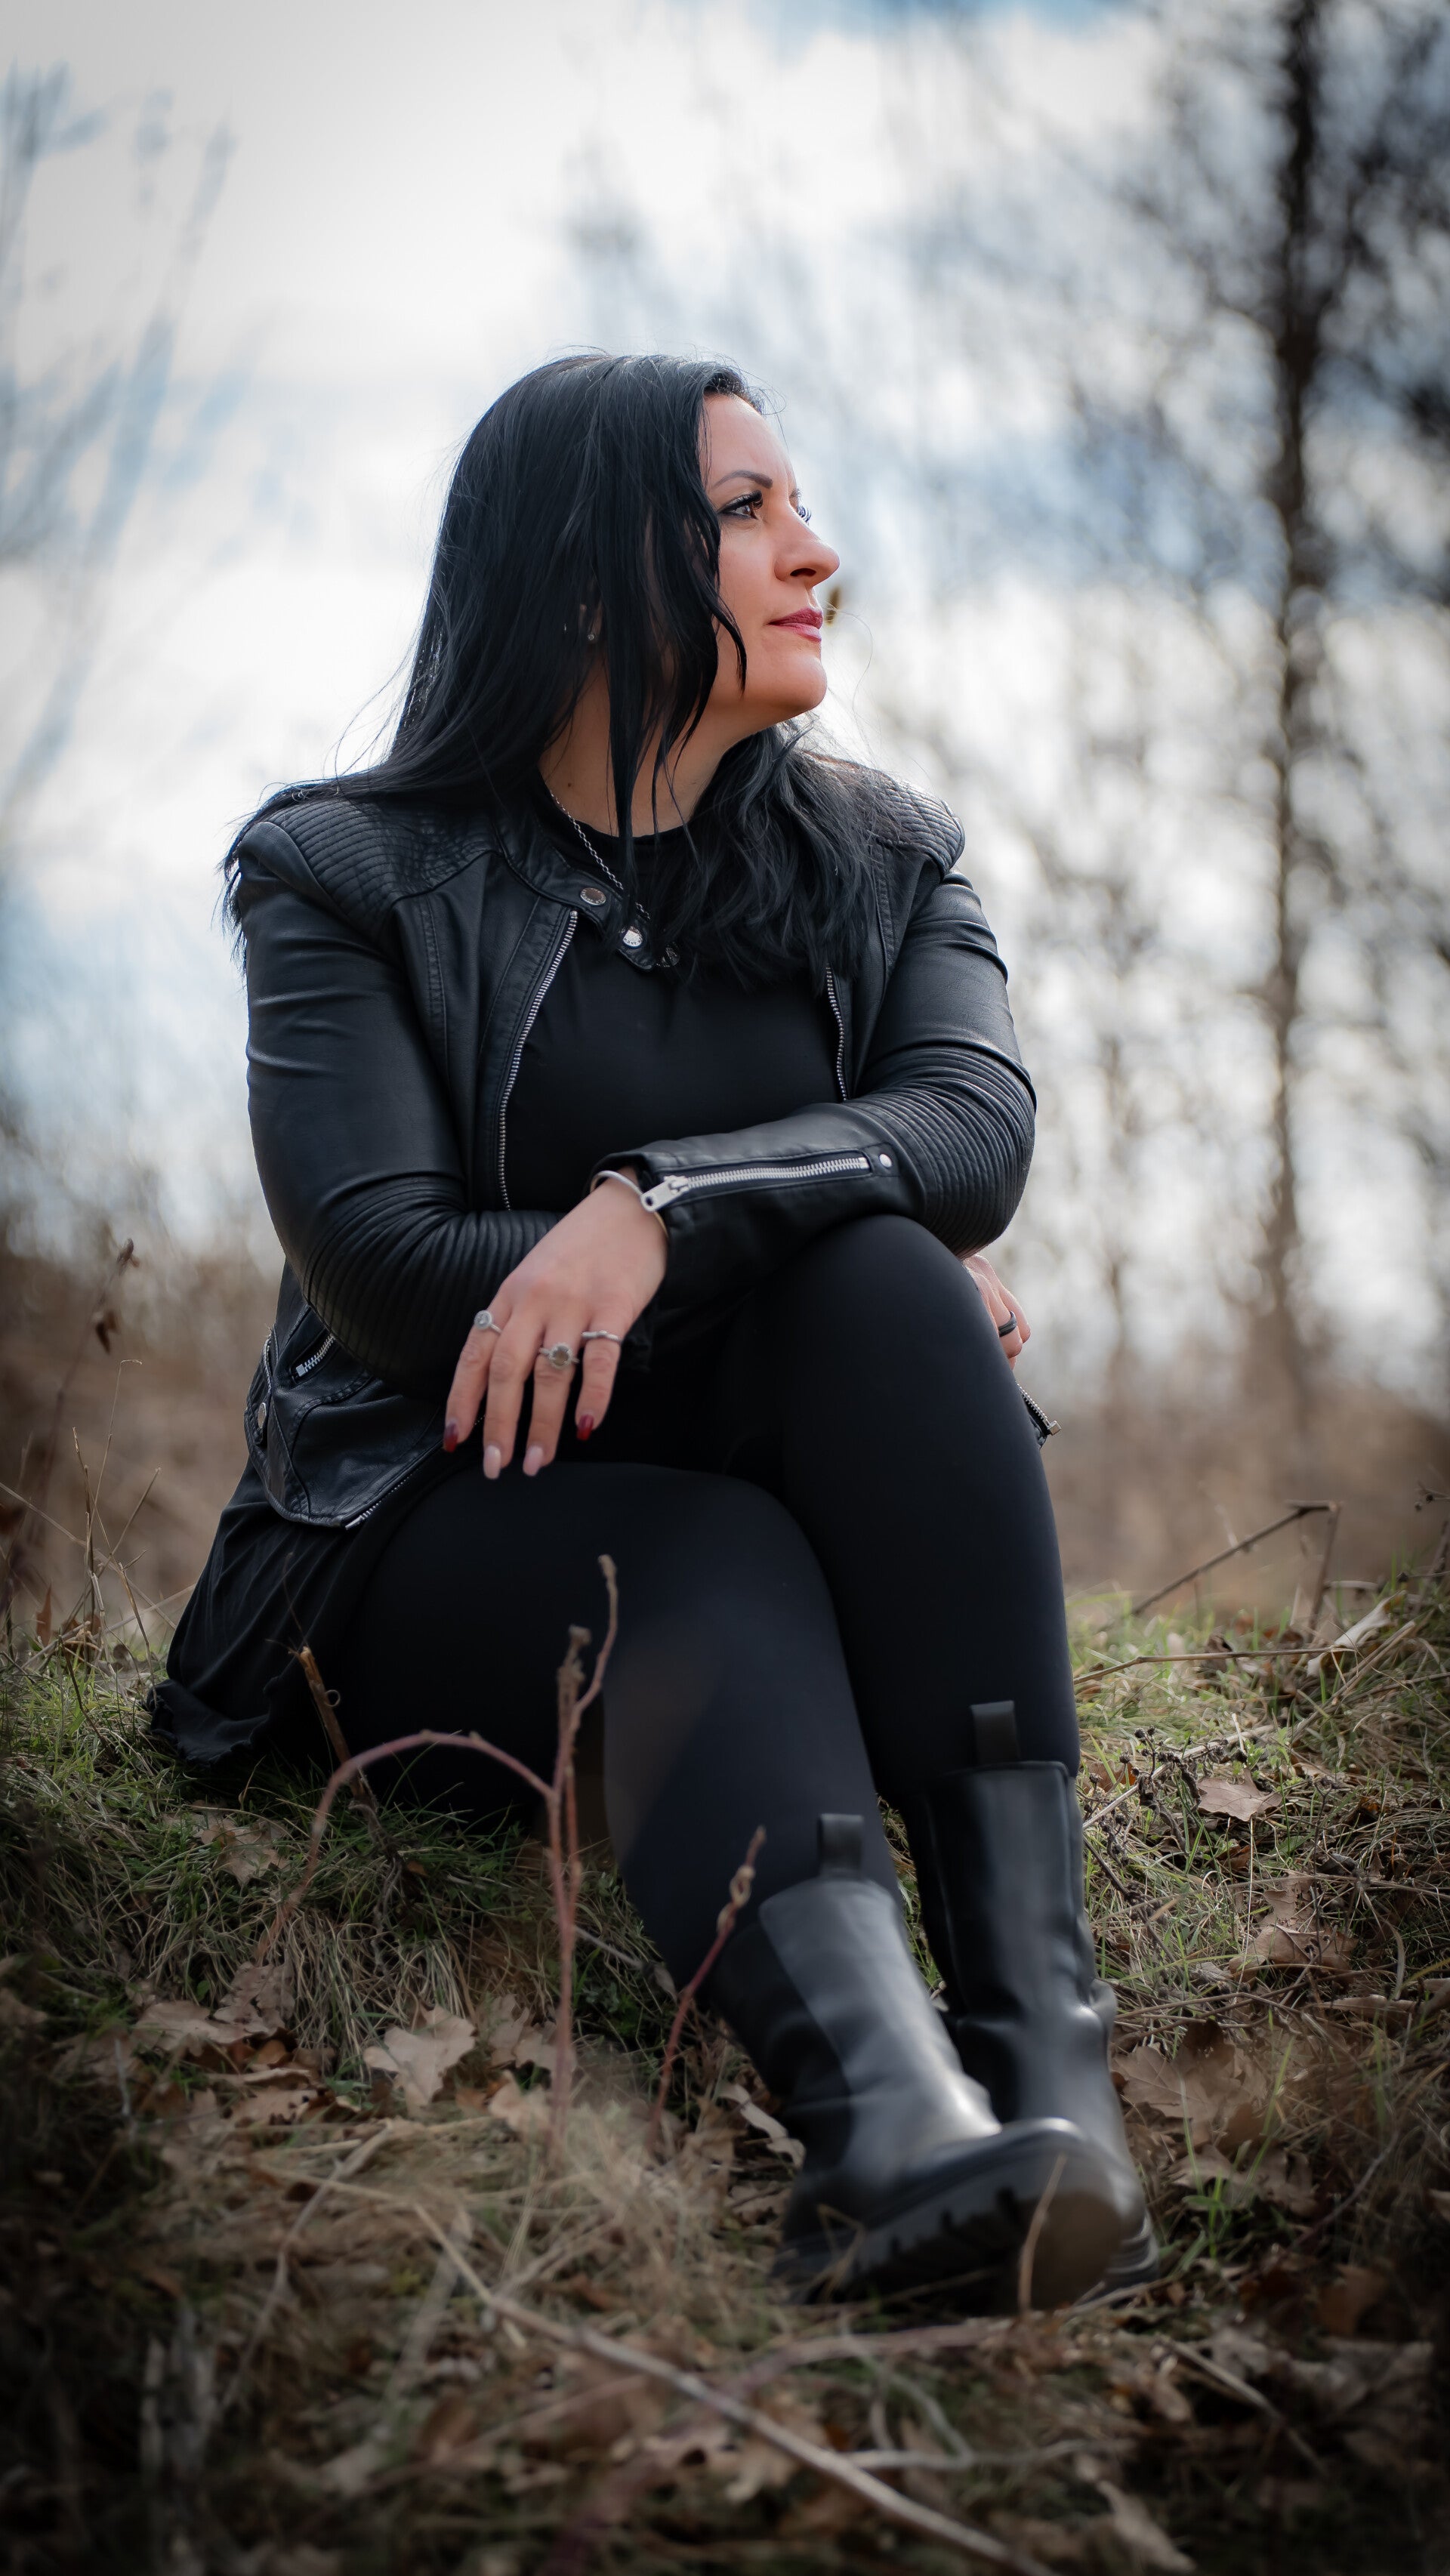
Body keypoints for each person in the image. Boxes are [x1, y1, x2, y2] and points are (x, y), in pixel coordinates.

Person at [153, 352, 1153, 2308]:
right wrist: (803, 1209)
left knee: (891, 1283)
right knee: (723, 1516)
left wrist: (668, 1211)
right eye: (749, 513)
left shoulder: (886, 860)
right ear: (593, 575)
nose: (817, 552)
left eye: (803, 505)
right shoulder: (347, 873)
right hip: (422, 1532)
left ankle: (1054, 2089)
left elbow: (972, 1135)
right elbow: (388, 1265)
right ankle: (886, 2135)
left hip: (772, 1539)